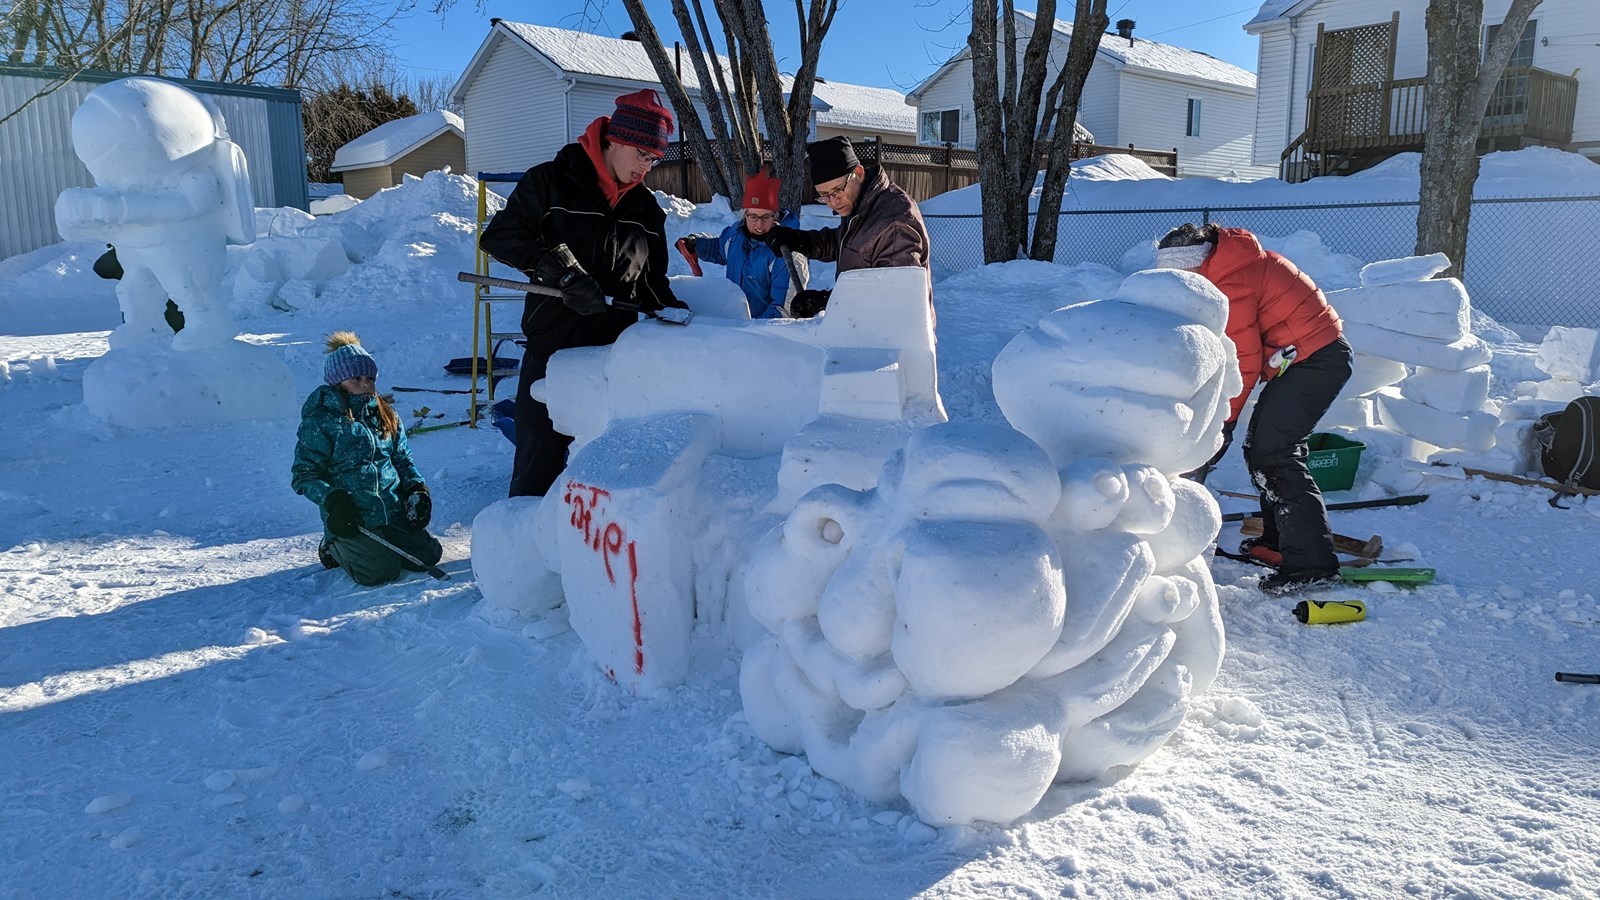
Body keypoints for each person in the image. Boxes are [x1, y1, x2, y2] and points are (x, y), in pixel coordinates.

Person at [480, 89, 689, 497]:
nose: (646, 168)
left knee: (602, 474)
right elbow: (500, 237)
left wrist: (672, 314)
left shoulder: (646, 210)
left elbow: (652, 284)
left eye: (654, 159)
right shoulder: (551, 181)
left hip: (612, 359)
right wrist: (559, 274)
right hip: (551, 348)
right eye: (642, 155)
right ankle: (527, 535)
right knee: (537, 469)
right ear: (617, 140)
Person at [1156, 223, 1353, 595]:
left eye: (1178, 275)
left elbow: (1242, 362)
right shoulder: (1227, 266)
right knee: (1262, 449)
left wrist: (1221, 421)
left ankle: (1312, 565)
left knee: (1276, 453)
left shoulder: (1231, 283)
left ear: (1191, 265)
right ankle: (1280, 544)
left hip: (1318, 360)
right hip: (1300, 357)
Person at [292, 332, 442, 585]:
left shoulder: (386, 414)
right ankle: (333, 546)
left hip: (390, 509)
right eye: (356, 378)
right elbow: (304, 474)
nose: (365, 384)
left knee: (428, 555)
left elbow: (402, 459)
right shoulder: (322, 421)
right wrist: (334, 500)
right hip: (353, 516)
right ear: (338, 381)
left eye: (370, 378)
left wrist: (416, 488)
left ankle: (382, 538)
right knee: (380, 571)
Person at [758, 136, 932, 317]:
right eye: (824, 195)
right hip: (862, 324)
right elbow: (845, 243)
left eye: (837, 191)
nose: (833, 202)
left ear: (858, 172)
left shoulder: (894, 223)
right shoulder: (861, 206)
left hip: (891, 331)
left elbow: (895, 295)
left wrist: (826, 301)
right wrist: (799, 240)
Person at [679, 165, 808, 318]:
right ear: (745, 214)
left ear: (776, 215)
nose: (759, 225)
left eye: (766, 217)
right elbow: (720, 249)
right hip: (735, 322)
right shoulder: (736, 236)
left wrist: (751, 329)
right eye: (753, 216)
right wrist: (696, 244)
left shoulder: (787, 254)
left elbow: (783, 310)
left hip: (762, 329)